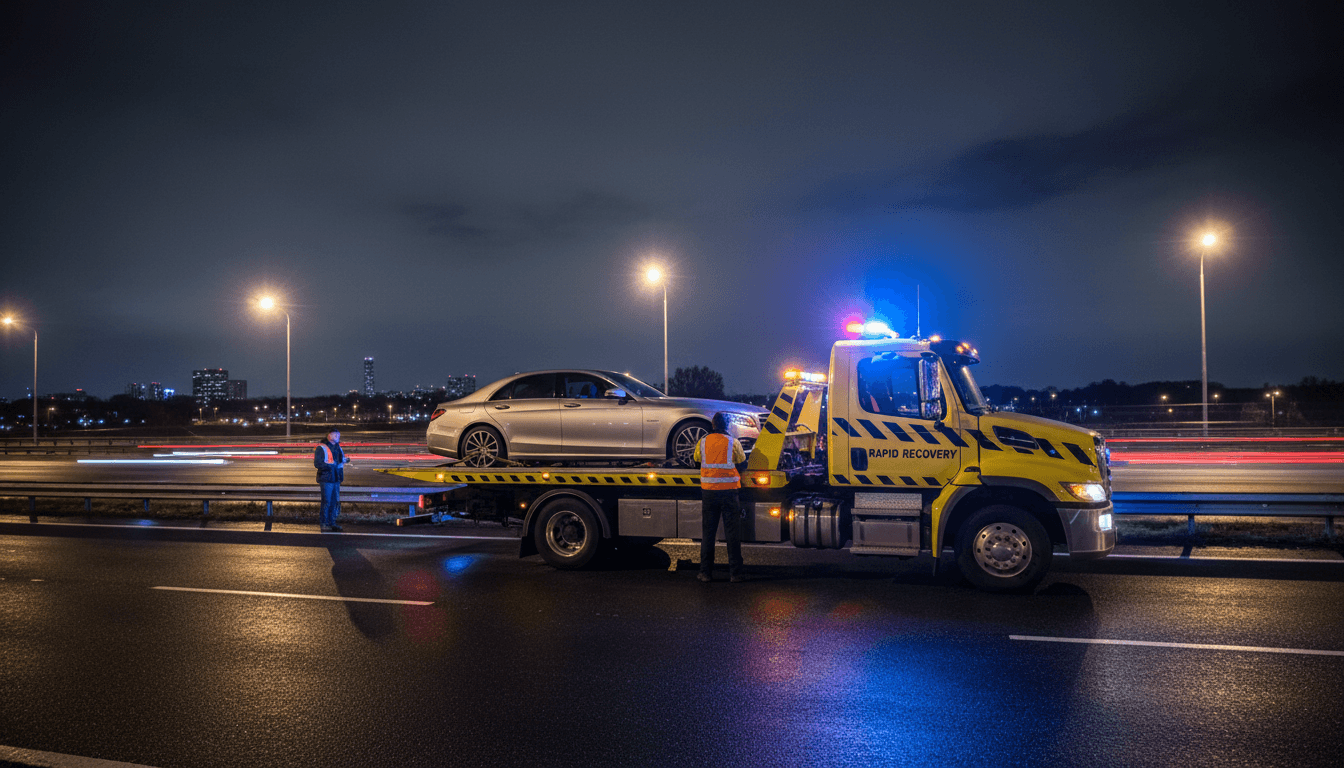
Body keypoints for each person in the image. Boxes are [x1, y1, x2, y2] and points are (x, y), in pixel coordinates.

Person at [693, 412, 748, 582]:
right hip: (729, 493)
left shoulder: (703, 442)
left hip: (709, 492)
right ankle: (735, 574)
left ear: (713, 424)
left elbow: (696, 462)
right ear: (727, 425)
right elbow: (742, 464)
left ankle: (705, 573)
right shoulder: (733, 442)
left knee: (708, 534)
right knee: (732, 534)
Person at [314, 430, 350, 532]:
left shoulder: (338, 447)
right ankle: (324, 524)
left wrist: (344, 460)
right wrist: (330, 465)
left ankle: (332, 523)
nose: (338, 436)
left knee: (334, 502)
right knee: (327, 502)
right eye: (335, 434)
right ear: (329, 436)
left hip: (336, 478)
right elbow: (317, 464)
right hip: (326, 479)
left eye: (339, 434)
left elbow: (338, 461)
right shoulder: (322, 448)